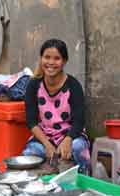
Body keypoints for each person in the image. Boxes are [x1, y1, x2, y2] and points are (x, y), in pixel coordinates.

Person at [22, 39, 91, 174]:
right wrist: (47, 144)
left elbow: (79, 121)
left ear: (64, 61)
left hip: (70, 135)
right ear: (41, 59)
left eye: (57, 58)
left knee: (78, 148)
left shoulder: (73, 85)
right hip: (44, 136)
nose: (51, 63)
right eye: (47, 57)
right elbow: (31, 122)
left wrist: (68, 140)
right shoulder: (34, 85)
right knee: (30, 153)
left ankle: (84, 183)